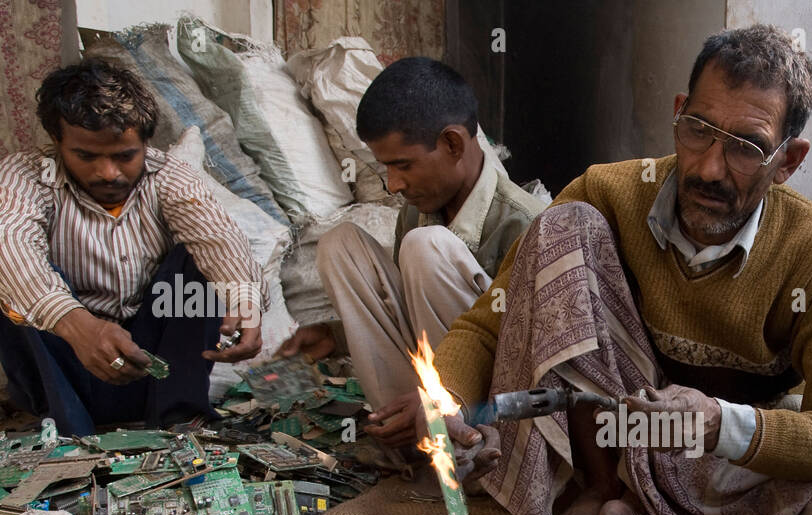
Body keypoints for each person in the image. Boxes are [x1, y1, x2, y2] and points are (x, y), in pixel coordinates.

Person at [434, 25, 812, 515]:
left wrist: (720, 422)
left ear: (788, 160)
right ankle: (601, 491)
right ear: (678, 112)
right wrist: (447, 404)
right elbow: (490, 323)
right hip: (606, 437)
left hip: (707, 465)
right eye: (698, 130)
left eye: (747, 149)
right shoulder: (607, 191)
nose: (710, 168)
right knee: (564, 225)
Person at [278, 57, 547, 456]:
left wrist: (442, 396)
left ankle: (461, 444)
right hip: (428, 395)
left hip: (499, 413)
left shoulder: (528, 225)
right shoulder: (418, 209)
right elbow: (414, 317)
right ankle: (412, 435)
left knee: (426, 246)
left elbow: (541, 366)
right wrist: (335, 337)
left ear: (453, 143)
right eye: (386, 167)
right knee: (340, 245)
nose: (393, 183)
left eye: (403, 165)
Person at [0, 59, 265, 437]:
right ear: (57, 143)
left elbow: (217, 239)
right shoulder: (24, 177)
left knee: (198, 263)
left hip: (151, 372)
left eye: (125, 155)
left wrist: (245, 302)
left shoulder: (168, 178)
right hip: (63, 371)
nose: (108, 173)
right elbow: (10, 245)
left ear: (145, 143)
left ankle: (179, 417)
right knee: (10, 277)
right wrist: (79, 326)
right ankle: (65, 435)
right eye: (86, 156)